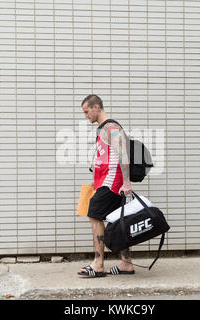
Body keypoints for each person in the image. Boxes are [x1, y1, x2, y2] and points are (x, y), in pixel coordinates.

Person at [78, 94, 134, 277]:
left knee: (94, 214)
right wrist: (94, 181)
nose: (86, 116)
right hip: (105, 181)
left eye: (87, 111)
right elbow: (104, 157)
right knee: (117, 219)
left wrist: (126, 183)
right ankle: (126, 263)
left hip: (113, 182)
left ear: (96, 107)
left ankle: (98, 264)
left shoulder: (111, 127)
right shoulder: (103, 129)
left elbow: (123, 154)